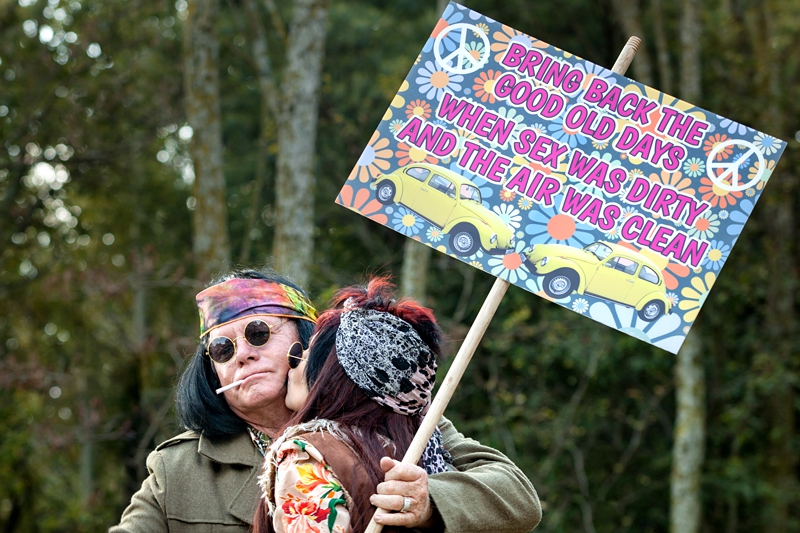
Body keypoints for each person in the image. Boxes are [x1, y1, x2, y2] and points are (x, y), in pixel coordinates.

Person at [111, 269, 541, 532]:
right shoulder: (176, 469)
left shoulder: (400, 419)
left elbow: (519, 500)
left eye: (258, 333)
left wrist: (430, 502)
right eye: (222, 349)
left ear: (306, 341)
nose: (242, 353)